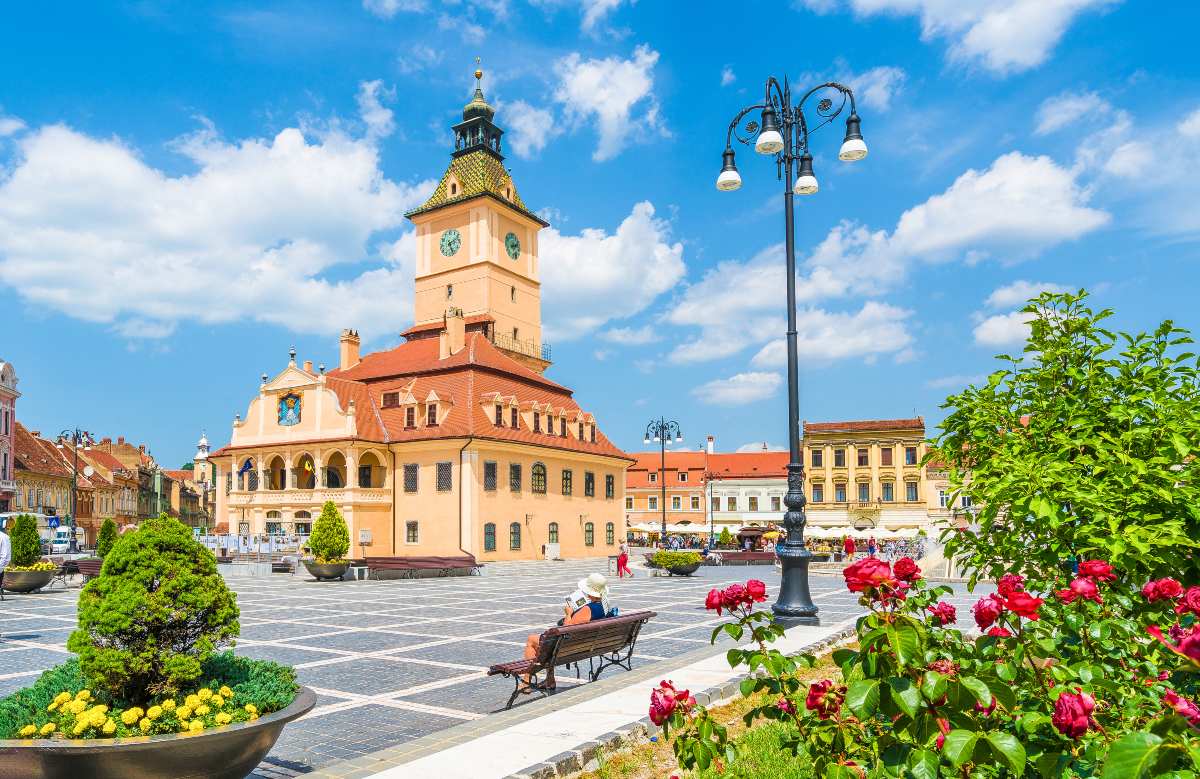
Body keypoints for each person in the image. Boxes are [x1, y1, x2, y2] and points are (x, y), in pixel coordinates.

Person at [521, 573, 611, 692]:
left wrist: (568, 613)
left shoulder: (587, 609)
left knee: (532, 639)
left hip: (569, 647)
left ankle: (526, 682)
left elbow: (567, 627)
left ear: (589, 592)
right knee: (548, 644)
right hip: (585, 645)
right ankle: (549, 680)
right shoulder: (603, 607)